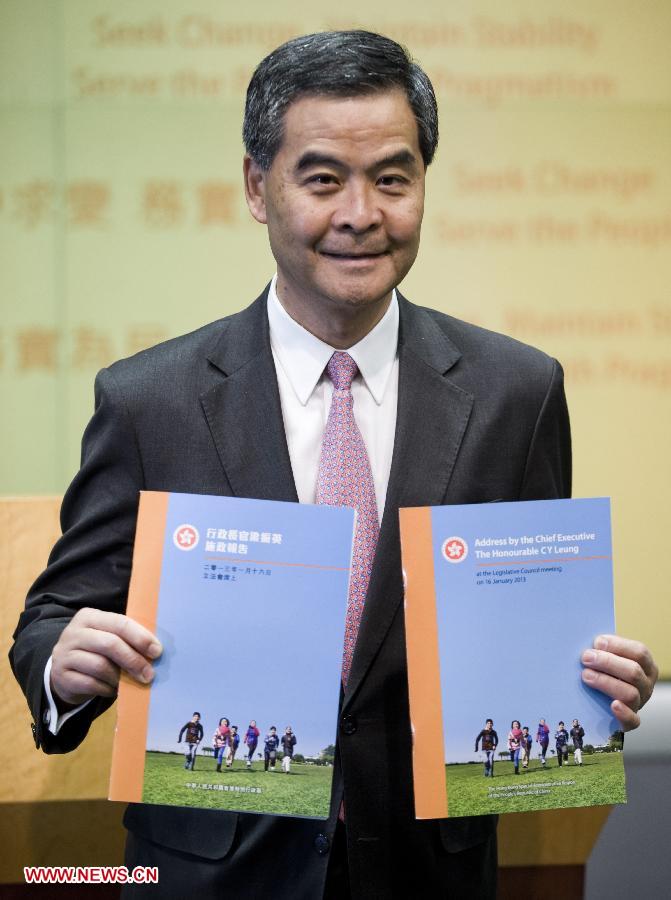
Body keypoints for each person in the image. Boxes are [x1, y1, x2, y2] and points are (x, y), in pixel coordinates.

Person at [9, 30, 658, 899]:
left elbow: (526, 632)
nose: (361, 212)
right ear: (256, 187)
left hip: (426, 873)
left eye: (392, 177)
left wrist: (591, 687)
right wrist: (63, 662)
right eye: (322, 179)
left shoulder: (517, 390)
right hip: (210, 874)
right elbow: (54, 614)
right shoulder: (149, 399)